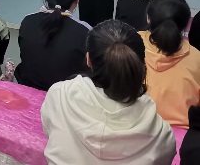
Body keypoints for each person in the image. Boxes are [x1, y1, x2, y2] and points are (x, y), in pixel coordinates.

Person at [41, 20, 176, 165]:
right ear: (140, 66)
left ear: (88, 59)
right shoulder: (161, 135)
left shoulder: (59, 95)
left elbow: (50, 131)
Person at [15, 0, 90, 91]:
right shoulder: (85, 31)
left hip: (27, 90)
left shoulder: (28, 21)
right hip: (64, 96)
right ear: (77, 0)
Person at [140, 0, 200, 129]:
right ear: (186, 24)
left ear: (148, 18)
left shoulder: (129, 45)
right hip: (182, 137)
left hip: (135, 129)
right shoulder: (197, 57)